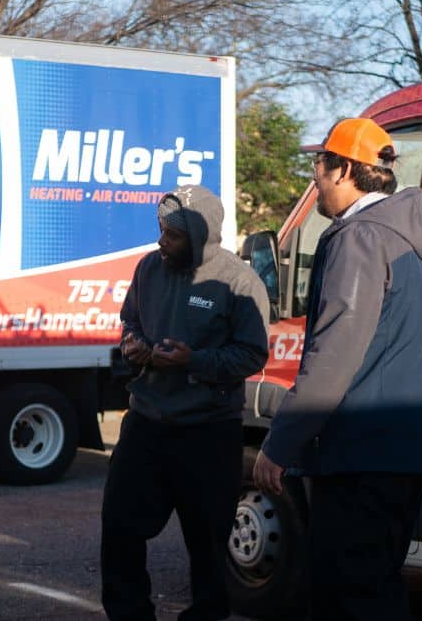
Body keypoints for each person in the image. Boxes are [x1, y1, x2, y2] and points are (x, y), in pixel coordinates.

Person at [252, 118, 422, 620]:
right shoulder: (413, 239)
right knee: (376, 590)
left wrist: (280, 443)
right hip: (403, 450)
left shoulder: (359, 238)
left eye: (319, 164)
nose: (314, 176)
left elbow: (333, 355)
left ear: (345, 171)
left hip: (360, 456)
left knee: (346, 596)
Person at [102, 185, 270, 621]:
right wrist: (133, 346)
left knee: (208, 542)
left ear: (200, 235)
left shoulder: (238, 281)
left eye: (172, 235)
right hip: (147, 421)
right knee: (119, 526)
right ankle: (128, 612)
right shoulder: (148, 270)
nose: (161, 241)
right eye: (160, 230)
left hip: (209, 430)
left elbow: (251, 354)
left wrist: (193, 361)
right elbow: (130, 322)